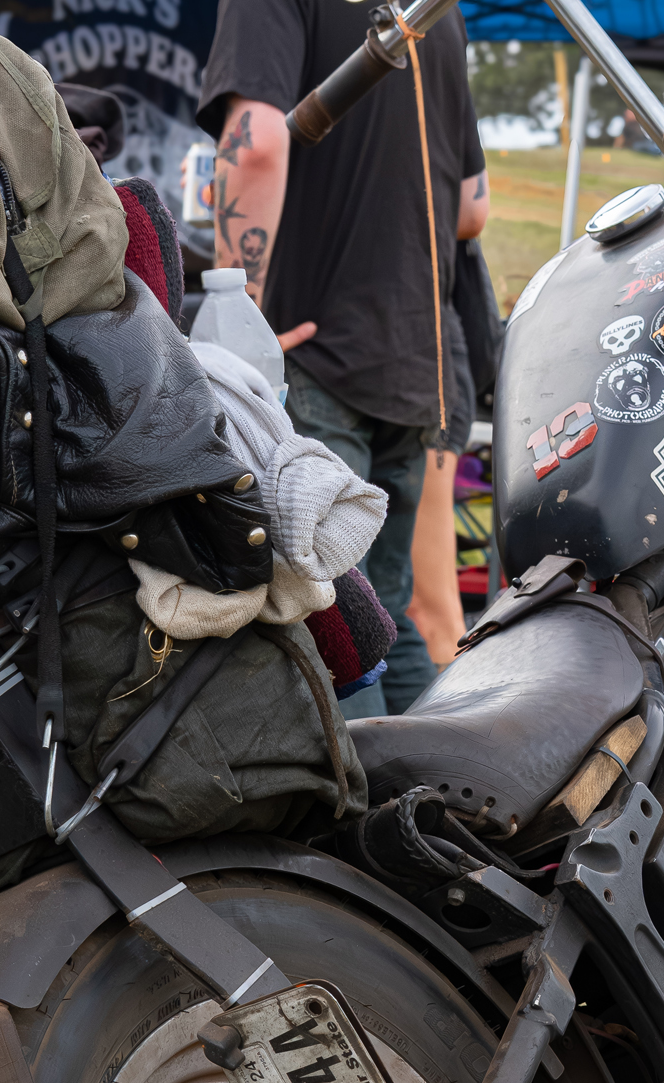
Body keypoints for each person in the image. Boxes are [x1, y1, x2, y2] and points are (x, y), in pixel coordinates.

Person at [197, 0, 488, 714]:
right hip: (415, 361)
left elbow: (256, 143)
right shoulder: (440, 13)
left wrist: (240, 328)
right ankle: (460, 806)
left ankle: (364, 823)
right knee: (387, 616)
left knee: (324, 628)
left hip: (313, 352)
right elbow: (471, 207)